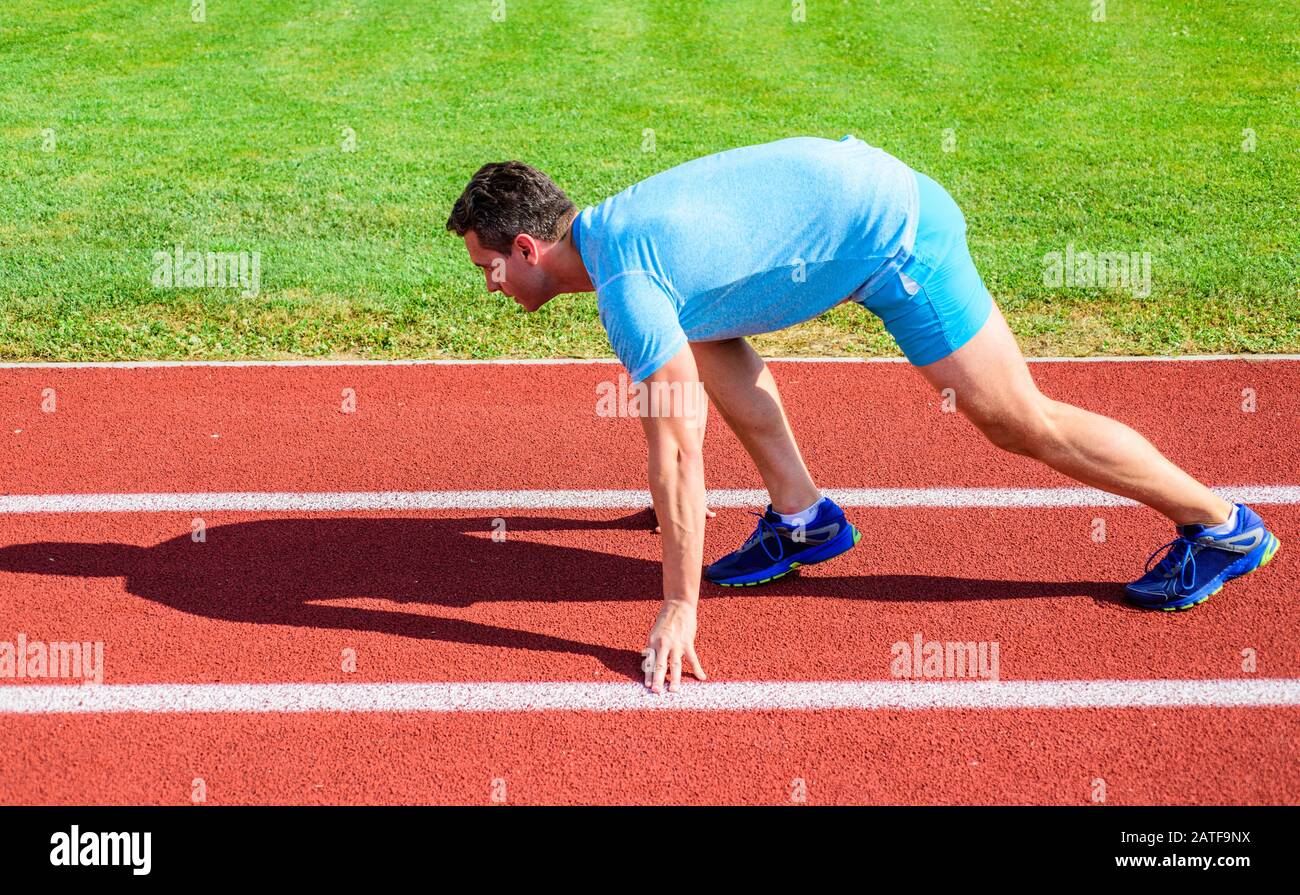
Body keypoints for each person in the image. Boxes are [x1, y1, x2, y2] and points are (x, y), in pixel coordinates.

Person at [446, 135, 1281, 693]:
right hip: (859, 193)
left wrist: (679, 604)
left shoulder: (628, 290)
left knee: (1016, 418)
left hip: (898, 236)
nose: (488, 284)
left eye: (487, 265)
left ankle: (1219, 524)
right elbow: (693, 396)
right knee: (705, 335)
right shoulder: (620, 241)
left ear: (527, 248)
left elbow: (676, 454)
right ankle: (804, 517)